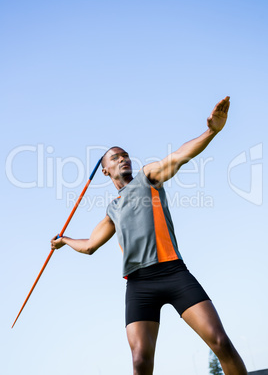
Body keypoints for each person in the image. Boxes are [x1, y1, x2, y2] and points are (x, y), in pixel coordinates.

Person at [51, 96, 247, 375]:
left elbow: (179, 156)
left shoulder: (148, 177)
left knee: (220, 341)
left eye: (125, 155)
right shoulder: (112, 210)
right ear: (105, 170)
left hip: (174, 273)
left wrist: (211, 131)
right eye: (115, 157)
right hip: (139, 285)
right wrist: (64, 241)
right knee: (141, 362)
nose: (123, 158)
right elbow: (90, 246)